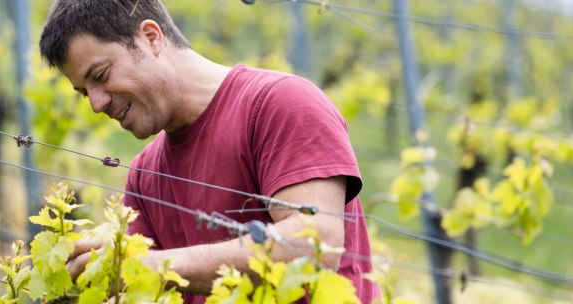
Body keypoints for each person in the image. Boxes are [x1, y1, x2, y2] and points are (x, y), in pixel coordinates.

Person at [38, 0, 379, 303]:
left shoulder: (280, 103)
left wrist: (152, 264)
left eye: (101, 74)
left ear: (151, 37)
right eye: (84, 93)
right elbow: (141, 284)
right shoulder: (144, 175)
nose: (96, 104)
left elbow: (315, 245)